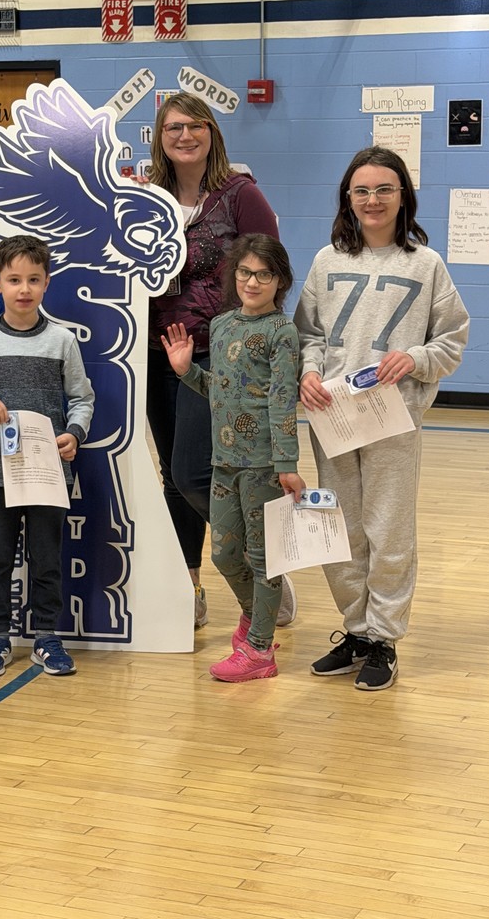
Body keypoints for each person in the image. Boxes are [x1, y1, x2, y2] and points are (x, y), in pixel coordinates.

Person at [294, 146, 469, 691]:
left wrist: (413, 358)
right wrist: (309, 371)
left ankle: (384, 638)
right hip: (335, 416)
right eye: (361, 190)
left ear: (403, 197)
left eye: (384, 189)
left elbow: (452, 340)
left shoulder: (426, 264)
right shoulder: (326, 261)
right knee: (340, 530)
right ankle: (356, 631)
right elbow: (308, 335)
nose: (373, 200)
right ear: (347, 198)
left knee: (388, 528)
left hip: (394, 419)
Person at [144, 92, 297, 628]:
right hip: (155, 351)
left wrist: (266, 350)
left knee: (194, 473)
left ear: (212, 133)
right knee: (171, 475)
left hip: (222, 357)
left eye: (195, 126)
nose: (185, 136)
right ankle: (190, 585)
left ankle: (263, 567)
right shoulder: (146, 195)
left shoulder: (239, 194)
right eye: (172, 129)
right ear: (159, 139)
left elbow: (271, 267)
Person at [0, 234, 95, 678]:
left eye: (33, 279)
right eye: (14, 279)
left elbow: (82, 399)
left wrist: (74, 433)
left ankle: (47, 637)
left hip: (47, 473)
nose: (24, 288)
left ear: (47, 282)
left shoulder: (62, 342)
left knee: (47, 557)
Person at [161, 235, 306, 682]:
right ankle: (256, 619)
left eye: (264, 274)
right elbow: (218, 390)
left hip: (264, 465)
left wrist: (287, 464)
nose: (252, 281)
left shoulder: (282, 332)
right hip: (224, 460)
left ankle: (260, 650)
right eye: (245, 272)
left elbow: (283, 400)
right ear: (233, 275)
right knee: (225, 554)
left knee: (263, 559)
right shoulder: (222, 325)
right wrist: (188, 372)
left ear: (279, 280)